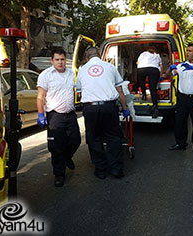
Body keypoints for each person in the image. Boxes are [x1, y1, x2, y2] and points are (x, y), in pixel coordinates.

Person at [76, 47, 130, 180]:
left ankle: (100, 169)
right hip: (108, 107)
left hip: (91, 108)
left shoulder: (82, 70)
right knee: (113, 137)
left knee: (94, 138)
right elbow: (120, 91)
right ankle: (116, 169)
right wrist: (125, 108)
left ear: (87, 58)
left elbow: (79, 91)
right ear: (100, 56)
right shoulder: (110, 67)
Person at [36, 48, 81, 187]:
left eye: (62, 59)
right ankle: (59, 174)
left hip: (70, 114)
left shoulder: (71, 73)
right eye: (57, 60)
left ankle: (67, 157)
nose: (60, 62)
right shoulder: (46, 75)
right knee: (56, 147)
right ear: (52, 61)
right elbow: (40, 96)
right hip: (55, 116)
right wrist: (41, 114)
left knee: (76, 140)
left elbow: (78, 90)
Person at [167, 43, 193, 154]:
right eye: (187, 51)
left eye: (190, 51)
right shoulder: (182, 65)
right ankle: (181, 143)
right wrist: (170, 69)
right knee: (180, 121)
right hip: (182, 98)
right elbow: (167, 75)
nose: (187, 53)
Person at [137, 46, 163, 118]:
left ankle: (144, 95)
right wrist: (160, 75)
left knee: (142, 81)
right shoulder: (157, 55)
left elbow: (138, 62)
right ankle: (155, 106)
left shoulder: (143, 54)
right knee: (152, 88)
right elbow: (161, 66)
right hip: (153, 69)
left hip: (142, 68)